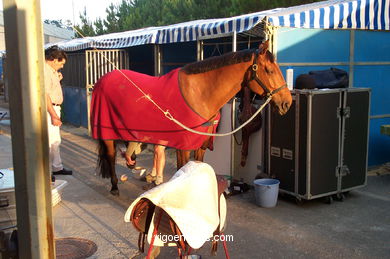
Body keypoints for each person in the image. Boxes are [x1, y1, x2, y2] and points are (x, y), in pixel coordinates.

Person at [44, 46, 72, 181]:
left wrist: (58, 79)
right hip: (50, 109)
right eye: (61, 63)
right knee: (50, 141)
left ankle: (57, 167)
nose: (61, 66)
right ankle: (47, 171)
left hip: (55, 108)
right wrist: (54, 115)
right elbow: (44, 95)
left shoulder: (52, 71)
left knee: (55, 140)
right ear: (53, 59)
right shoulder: (45, 71)